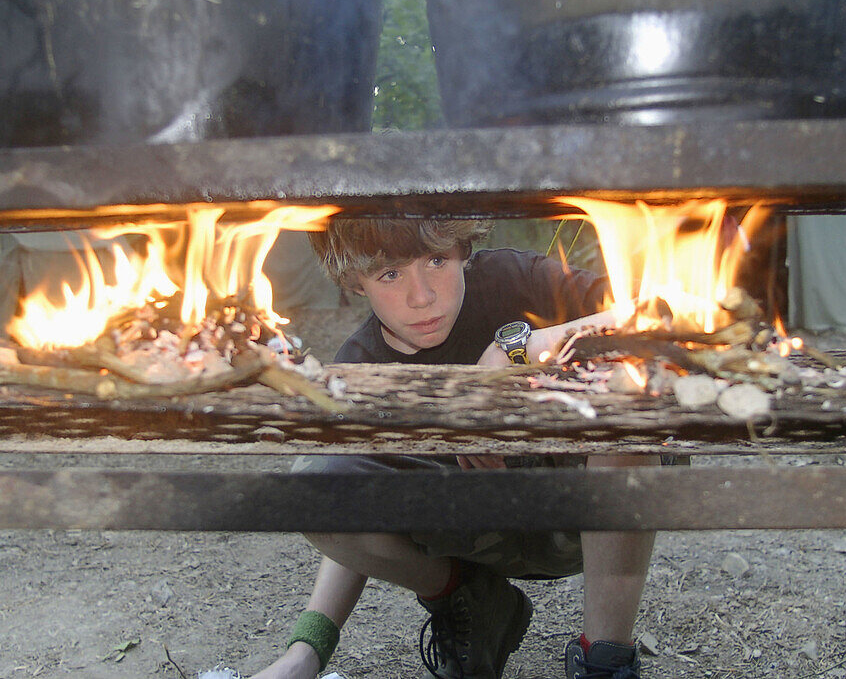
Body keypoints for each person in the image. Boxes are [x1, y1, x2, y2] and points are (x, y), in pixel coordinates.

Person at [250, 218, 656, 679]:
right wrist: (307, 650)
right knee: (314, 487)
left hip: (596, 513)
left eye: (437, 261)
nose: (421, 295)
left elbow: (674, 312)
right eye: (390, 274)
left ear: (463, 248)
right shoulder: (363, 366)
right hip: (482, 538)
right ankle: (475, 606)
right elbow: (341, 503)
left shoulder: (512, 278)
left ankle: (604, 660)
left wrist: (527, 346)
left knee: (623, 393)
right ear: (355, 282)